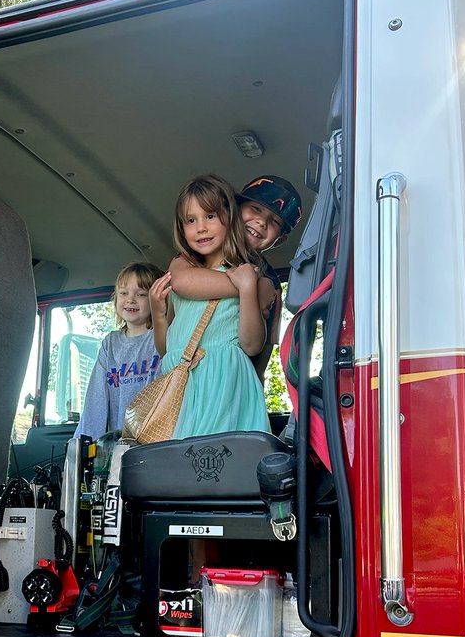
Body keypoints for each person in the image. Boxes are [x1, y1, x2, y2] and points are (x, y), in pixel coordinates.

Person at [150, 175, 271, 439]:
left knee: (215, 468)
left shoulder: (247, 276)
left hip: (222, 382)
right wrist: (159, 316)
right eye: (190, 221)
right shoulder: (182, 267)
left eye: (210, 217)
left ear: (231, 217)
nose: (201, 228)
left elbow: (252, 345)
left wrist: (249, 287)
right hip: (180, 383)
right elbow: (167, 350)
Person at [152, 175, 302, 377]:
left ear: (280, 239)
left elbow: (262, 349)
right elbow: (180, 281)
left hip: (229, 379)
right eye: (255, 209)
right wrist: (249, 286)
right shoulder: (193, 257)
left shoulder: (271, 283)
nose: (261, 221)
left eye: (274, 221)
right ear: (233, 210)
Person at [74, 262, 163, 439]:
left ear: (156, 299)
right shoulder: (111, 343)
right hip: (117, 442)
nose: (130, 299)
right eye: (124, 293)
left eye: (141, 294)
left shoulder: (160, 339)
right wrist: (86, 443)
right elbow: (96, 397)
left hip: (154, 438)